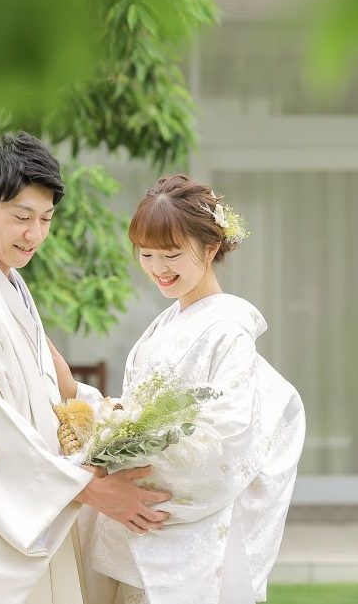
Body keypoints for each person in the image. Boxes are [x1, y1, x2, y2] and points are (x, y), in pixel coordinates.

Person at [0, 132, 171, 604]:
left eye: (46, 218)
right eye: (21, 217)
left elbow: (50, 390)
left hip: (36, 513)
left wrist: (112, 420)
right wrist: (91, 490)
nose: (35, 234)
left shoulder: (8, 288)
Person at [79, 174, 306, 604]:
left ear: (211, 247)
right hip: (145, 516)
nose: (157, 268)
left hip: (185, 521)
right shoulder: (164, 324)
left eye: (171, 254)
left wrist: (137, 472)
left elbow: (228, 434)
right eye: (146, 254)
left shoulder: (228, 330)